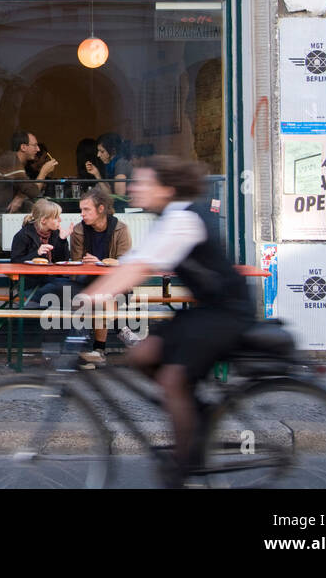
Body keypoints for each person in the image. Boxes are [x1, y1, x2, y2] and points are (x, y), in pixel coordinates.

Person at [86, 157, 254, 486]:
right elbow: (133, 261)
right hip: (207, 311)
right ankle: (195, 412)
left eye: (143, 183)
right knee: (141, 355)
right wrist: (98, 293)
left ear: (168, 190)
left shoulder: (184, 219)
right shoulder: (170, 217)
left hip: (227, 313)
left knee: (173, 379)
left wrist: (88, 298)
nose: (133, 188)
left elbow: (139, 268)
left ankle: (183, 466)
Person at [68, 188, 133, 364]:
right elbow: (76, 264)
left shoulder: (120, 229)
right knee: (99, 294)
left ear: (101, 209)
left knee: (103, 294)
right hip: (87, 283)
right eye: (81, 210)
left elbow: (124, 263)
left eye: (86, 209)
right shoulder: (79, 231)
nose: (82, 214)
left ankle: (98, 351)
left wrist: (100, 262)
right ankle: (119, 330)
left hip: (117, 284)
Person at [0, 129, 59, 213]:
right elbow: (33, 192)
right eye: (35, 145)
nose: (38, 149)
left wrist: (21, 196)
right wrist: (44, 171)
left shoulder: (14, 160)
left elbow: (27, 189)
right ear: (23, 147)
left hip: (2, 212)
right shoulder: (12, 161)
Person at [94, 132, 132, 197]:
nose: (98, 155)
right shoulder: (110, 165)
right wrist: (97, 174)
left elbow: (120, 195)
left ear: (113, 151)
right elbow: (109, 193)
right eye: (98, 151)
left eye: (102, 151)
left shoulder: (121, 164)